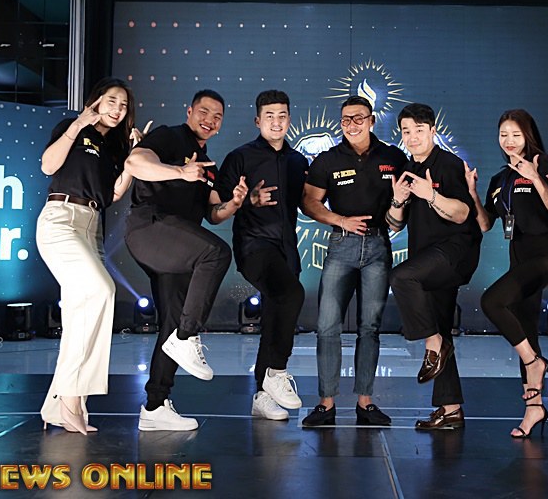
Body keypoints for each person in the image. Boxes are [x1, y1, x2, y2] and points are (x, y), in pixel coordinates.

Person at [124, 89, 248, 432]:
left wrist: (234, 203)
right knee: (216, 253)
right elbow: (135, 163)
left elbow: (213, 214)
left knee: (172, 322)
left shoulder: (208, 166)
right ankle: (188, 336)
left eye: (217, 117)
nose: (210, 120)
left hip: (179, 242)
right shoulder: (169, 137)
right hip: (150, 227)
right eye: (204, 112)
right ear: (189, 111)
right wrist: (180, 171)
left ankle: (155, 406)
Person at [37, 77, 140, 435]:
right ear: (96, 100)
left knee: (83, 310)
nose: (118, 109)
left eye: (124, 105)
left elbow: (112, 195)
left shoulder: (114, 147)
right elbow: (48, 166)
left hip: (92, 226)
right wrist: (78, 124)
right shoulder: (73, 127)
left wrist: (131, 161)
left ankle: (58, 404)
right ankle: (70, 394)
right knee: (101, 290)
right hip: (61, 218)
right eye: (112, 101)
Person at [300, 96, 408, 427]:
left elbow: (405, 201)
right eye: (346, 119)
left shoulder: (393, 156)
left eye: (359, 118)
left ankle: (365, 402)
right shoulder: (328, 159)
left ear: (372, 121)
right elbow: (309, 201)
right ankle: (326, 404)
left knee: (370, 327)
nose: (352, 125)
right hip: (341, 245)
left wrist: (398, 211)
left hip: (378, 246)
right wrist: (340, 220)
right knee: (327, 326)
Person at [466, 109, 548, 439]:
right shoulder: (500, 180)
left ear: (528, 135)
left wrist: (535, 178)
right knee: (527, 330)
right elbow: (484, 224)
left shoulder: (543, 164)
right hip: (518, 259)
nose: (508, 141)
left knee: (492, 301)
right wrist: (472, 192)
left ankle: (535, 363)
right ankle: (534, 408)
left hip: (545, 256)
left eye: (516, 135)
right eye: (503, 134)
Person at [387, 103, 482, 430]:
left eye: (418, 130)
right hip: (427, 256)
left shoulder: (449, 164)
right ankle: (451, 409)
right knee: (440, 322)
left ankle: (432, 342)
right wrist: (398, 200)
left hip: (455, 251)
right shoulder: (406, 169)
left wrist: (431, 195)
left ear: (432, 131)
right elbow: (394, 224)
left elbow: (462, 214)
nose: (412, 137)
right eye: (406, 131)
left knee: (401, 278)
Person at [216, 90, 309, 421]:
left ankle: (262, 395)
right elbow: (218, 205)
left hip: (287, 251)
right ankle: (277, 371)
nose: (276, 121)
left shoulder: (298, 161)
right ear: (258, 120)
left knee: (276, 316)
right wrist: (246, 201)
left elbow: (309, 203)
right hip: (254, 246)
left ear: (289, 119)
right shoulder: (240, 157)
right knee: (292, 294)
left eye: (282, 115)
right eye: (269, 116)